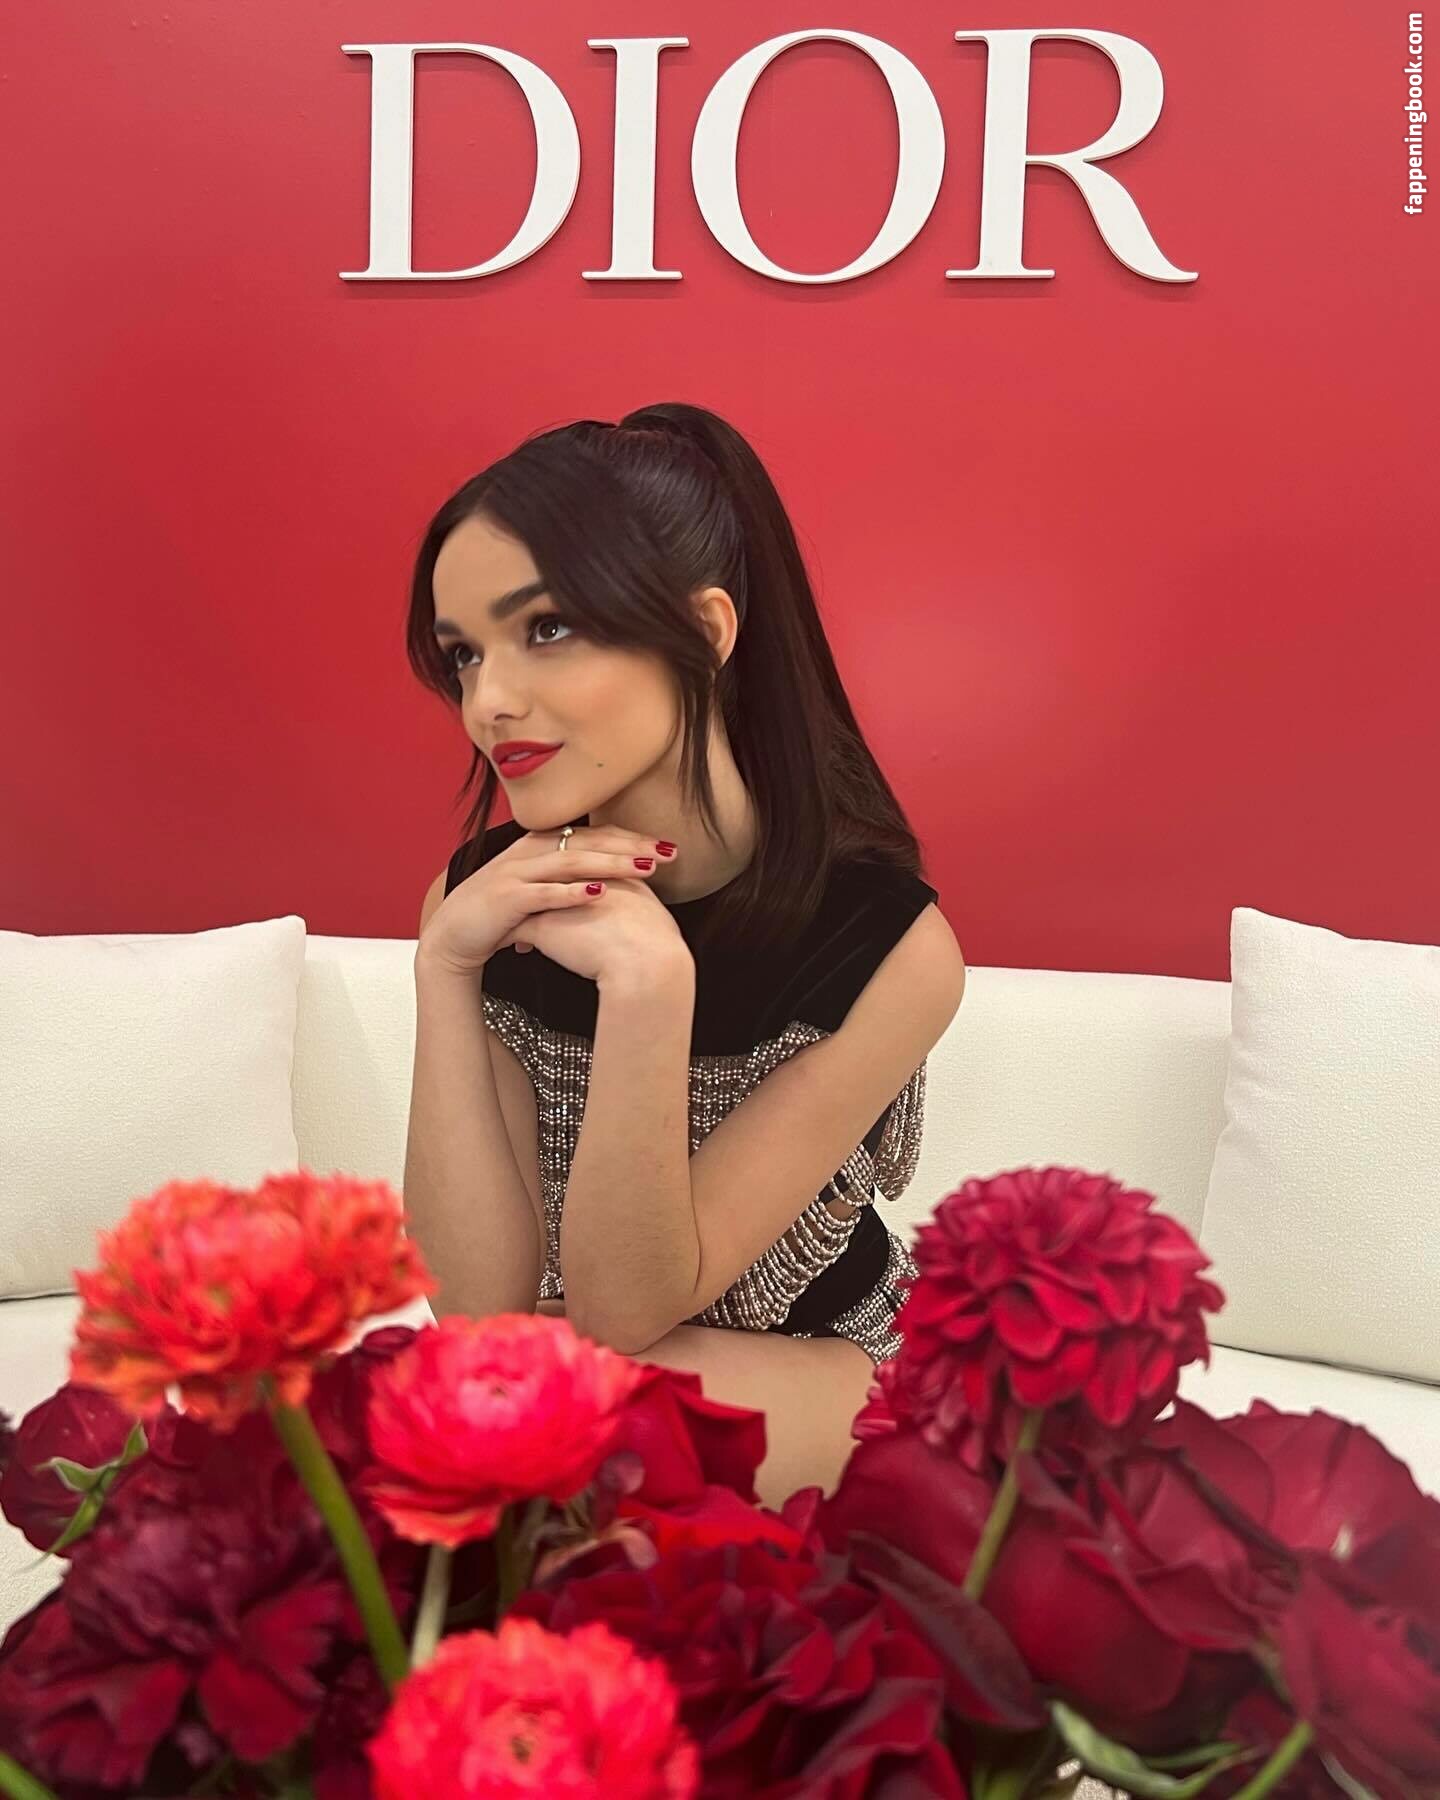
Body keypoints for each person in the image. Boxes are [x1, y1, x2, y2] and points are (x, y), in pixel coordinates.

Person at [402, 402, 967, 1509]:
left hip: (829, 1357)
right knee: (452, 1432)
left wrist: (652, 990)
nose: (487, 702)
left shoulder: (888, 945)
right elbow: (472, 1307)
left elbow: (630, 1307)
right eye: (464, 653)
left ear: (704, 632)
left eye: (546, 628)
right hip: (593, 1356)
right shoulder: (487, 901)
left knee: (570, 1449)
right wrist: (443, 967)